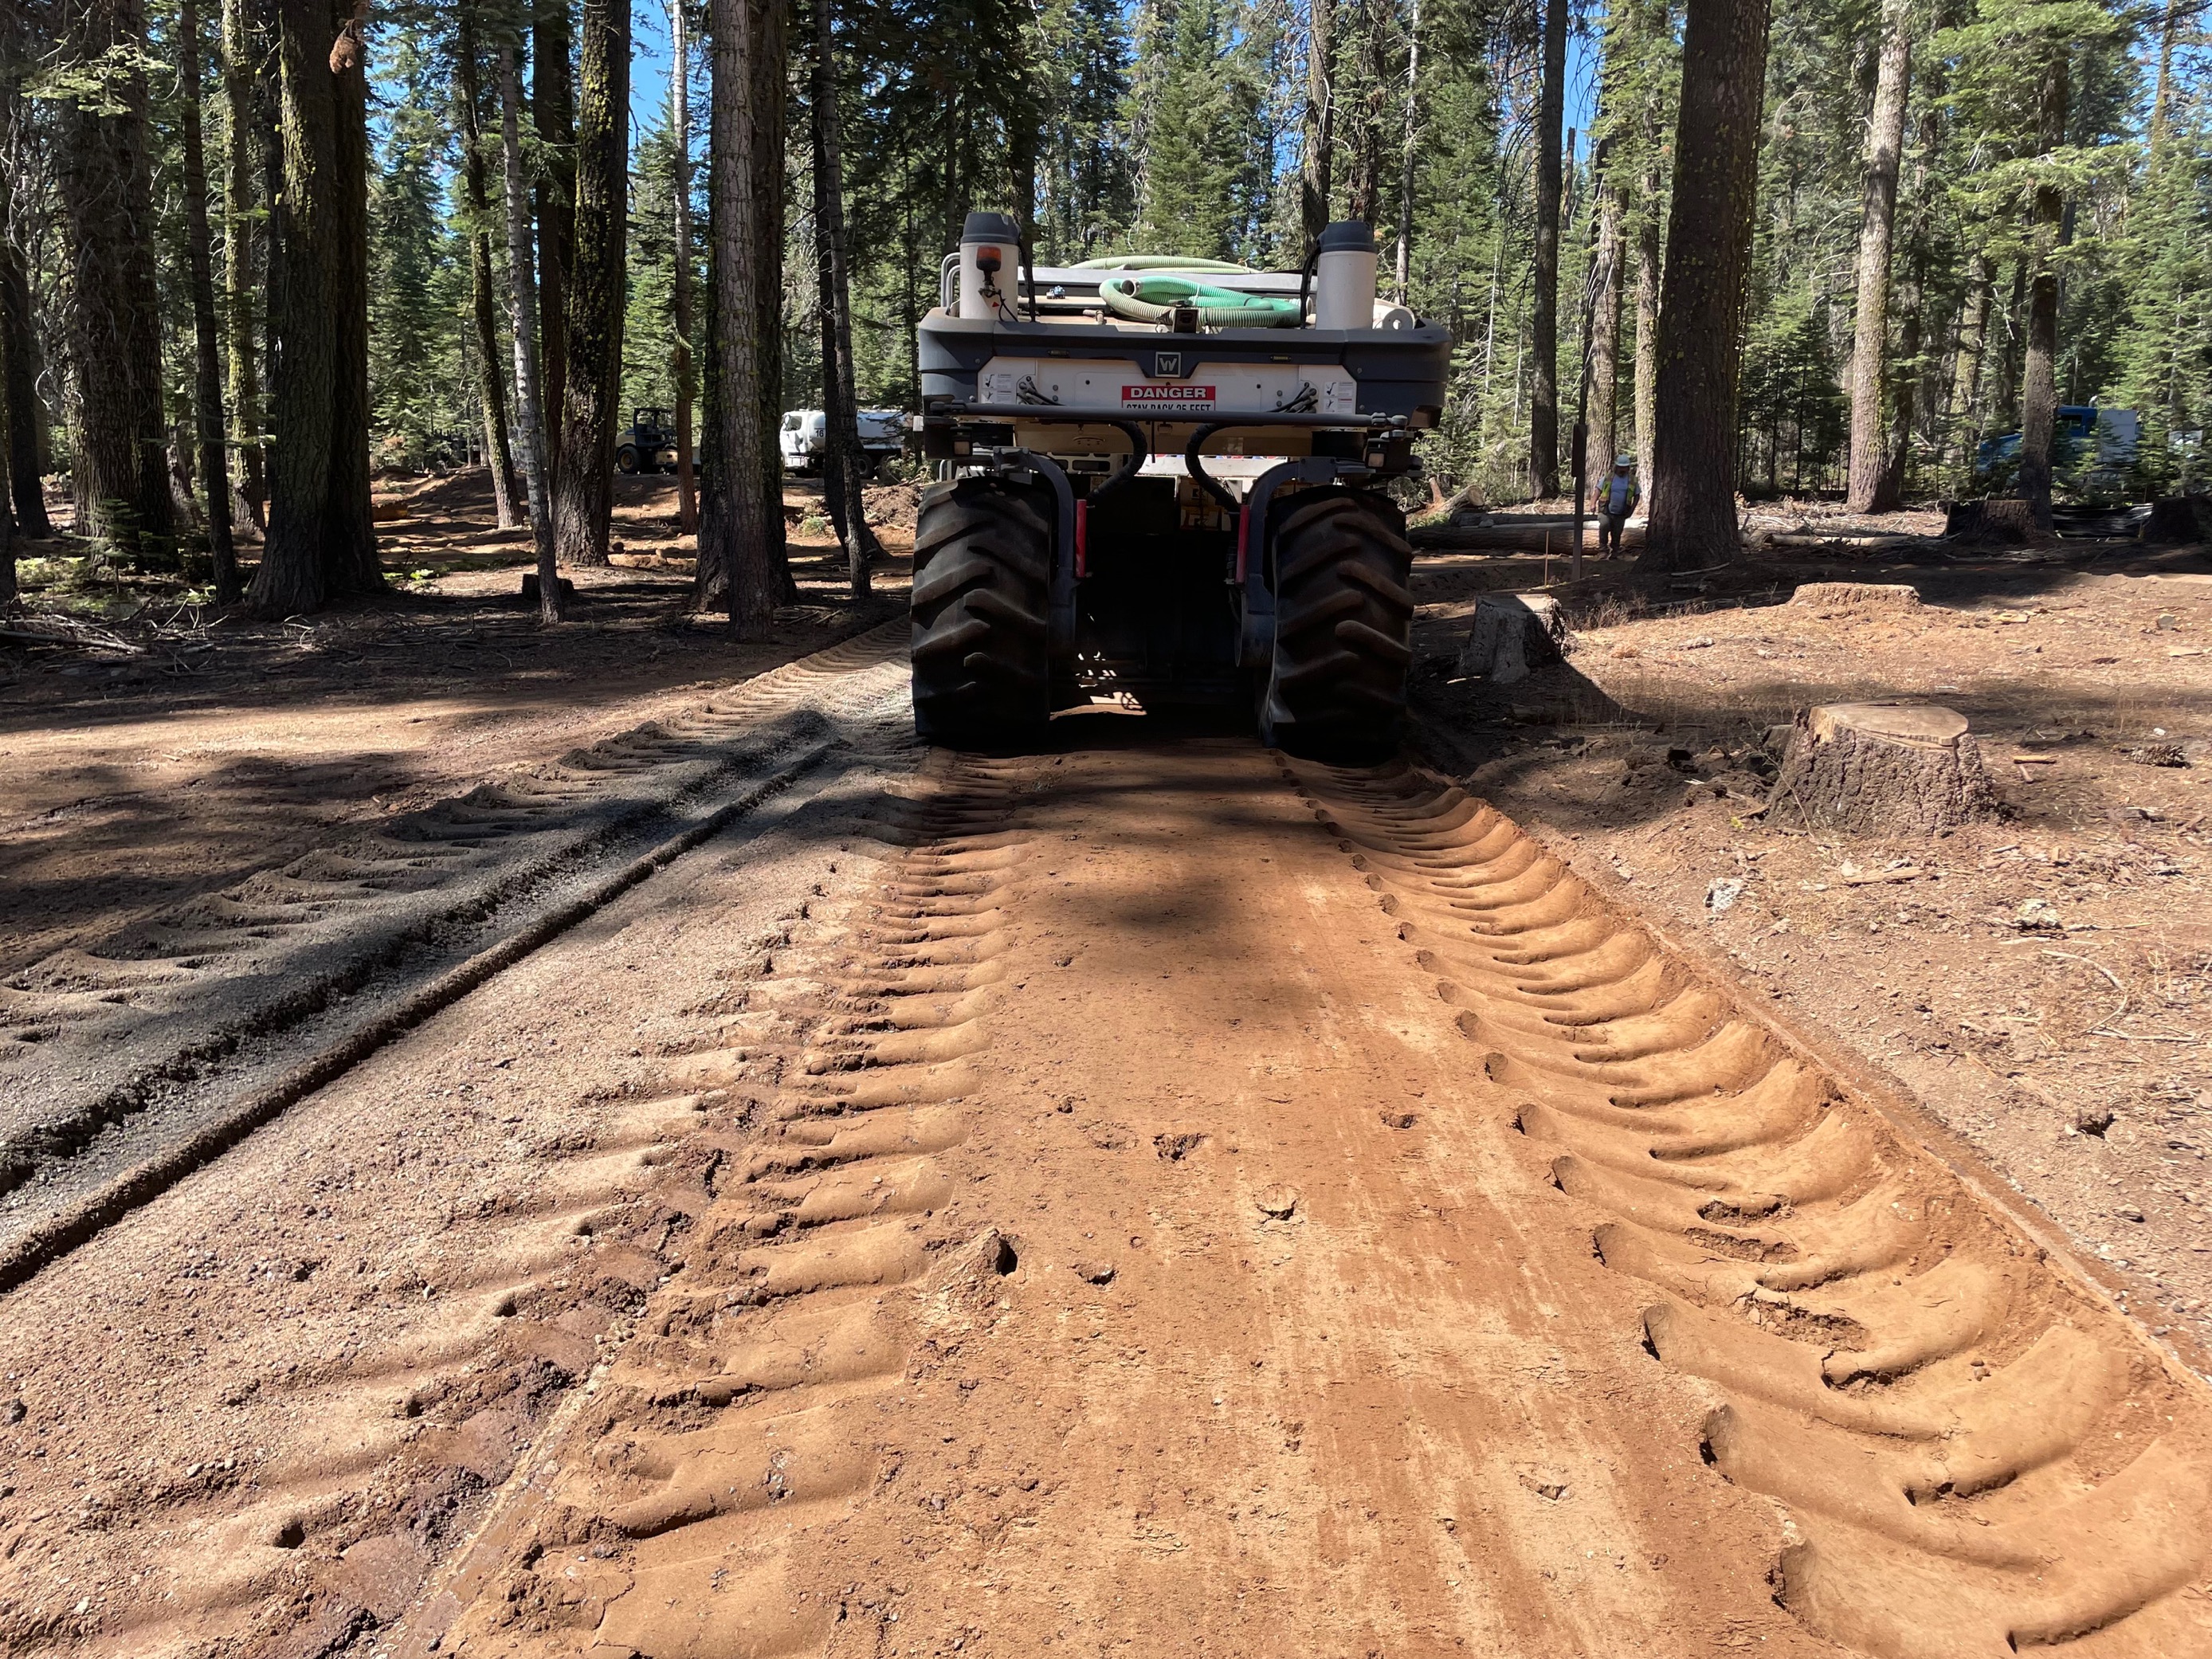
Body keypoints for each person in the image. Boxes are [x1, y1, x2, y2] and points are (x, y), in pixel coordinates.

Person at [1598, 455, 1637, 557]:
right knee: (1604, 527)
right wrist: (1593, 503)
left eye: (1624, 467)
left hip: (1622, 511)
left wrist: (1632, 509)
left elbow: (1637, 495)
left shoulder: (1632, 480)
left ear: (1628, 468)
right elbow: (1598, 490)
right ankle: (1603, 550)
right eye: (1620, 467)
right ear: (1616, 467)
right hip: (1605, 508)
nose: (1622, 469)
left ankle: (1615, 551)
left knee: (1617, 532)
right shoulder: (1608, 477)